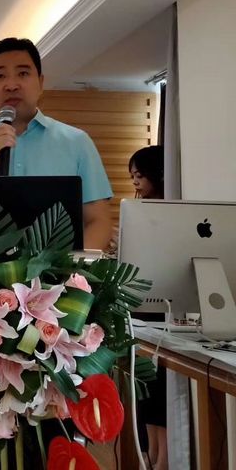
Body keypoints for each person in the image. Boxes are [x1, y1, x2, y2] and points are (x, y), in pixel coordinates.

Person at [0, 37, 113, 250]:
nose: (11, 85)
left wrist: (70, 268)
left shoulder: (77, 142)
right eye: (0, 75)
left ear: (40, 82)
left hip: (62, 270)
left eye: (23, 73)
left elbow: (98, 221)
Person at [130, 145, 167, 470]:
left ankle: (161, 457)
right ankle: (151, 454)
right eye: (133, 177)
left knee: (160, 387)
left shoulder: (170, 212)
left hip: (162, 309)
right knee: (145, 386)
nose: (135, 183)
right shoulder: (138, 211)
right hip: (140, 307)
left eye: (140, 175)